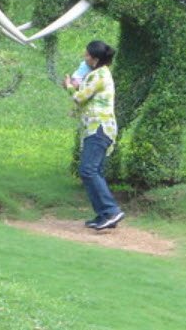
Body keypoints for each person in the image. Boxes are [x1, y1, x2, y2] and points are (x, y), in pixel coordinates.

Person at [64, 40, 125, 231]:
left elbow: (79, 97)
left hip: (98, 129)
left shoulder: (99, 75)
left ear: (95, 59)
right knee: (93, 171)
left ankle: (111, 210)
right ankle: (104, 215)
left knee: (88, 170)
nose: (85, 57)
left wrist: (69, 86)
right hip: (98, 128)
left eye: (87, 55)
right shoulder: (98, 74)